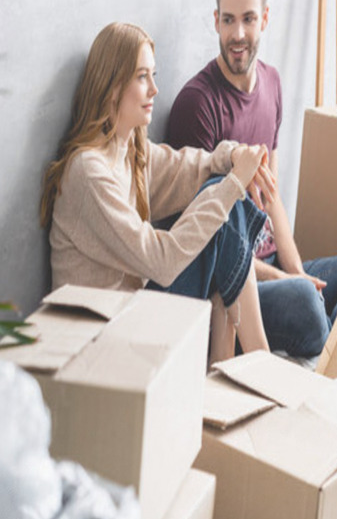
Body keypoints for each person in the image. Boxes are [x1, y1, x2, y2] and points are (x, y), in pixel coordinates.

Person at [167, 0, 337, 358]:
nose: (238, 35)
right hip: (234, 284)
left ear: (265, 18)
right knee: (307, 301)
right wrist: (290, 281)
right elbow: (198, 245)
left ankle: (329, 341)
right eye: (228, 20)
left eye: (249, 19)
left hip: (274, 265)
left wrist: (299, 270)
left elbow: (273, 199)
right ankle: (336, 343)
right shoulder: (198, 104)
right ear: (215, 21)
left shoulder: (271, 83)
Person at [40, 22, 277, 362]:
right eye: (141, 76)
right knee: (224, 203)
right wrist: (235, 184)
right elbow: (161, 263)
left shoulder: (131, 150)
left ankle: (237, 364)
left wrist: (234, 156)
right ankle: (255, 362)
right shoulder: (88, 173)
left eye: (154, 74)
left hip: (131, 317)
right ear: (111, 87)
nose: (154, 89)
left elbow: (195, 165)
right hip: (101, 342)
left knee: (224, 197)